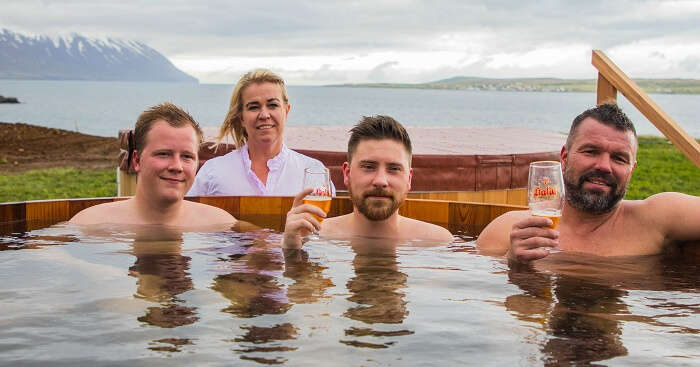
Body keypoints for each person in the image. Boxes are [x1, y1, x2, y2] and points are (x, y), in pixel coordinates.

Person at [476, 103, 700, 263]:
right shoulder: (508, 231)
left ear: (631, 169)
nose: (604, 166)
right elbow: (482, 306)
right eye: (591, 151)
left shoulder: (657, 218)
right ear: (564, 157)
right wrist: (511, 263)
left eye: (619, 158)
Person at [282, 115, 453, 248]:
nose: (380, 181)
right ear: (347, 174)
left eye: (394, 169)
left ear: (408, 179)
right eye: (369, 167)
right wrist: (291, 250)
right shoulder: (315, 238)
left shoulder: (438, 242)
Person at [70, 103, 236, 227]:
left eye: (187, 156)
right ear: (136, 160)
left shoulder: (220, 225)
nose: (177, 166)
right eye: (163, 154)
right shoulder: (89, 225)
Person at [187, 68, 333, 196]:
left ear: (286, 112)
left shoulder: (314, 172)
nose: (264, 115)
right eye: (253, 107)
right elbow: (188, 220)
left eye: (272, 105)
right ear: (241, 118)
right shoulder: (213, 172)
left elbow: (328, 225)